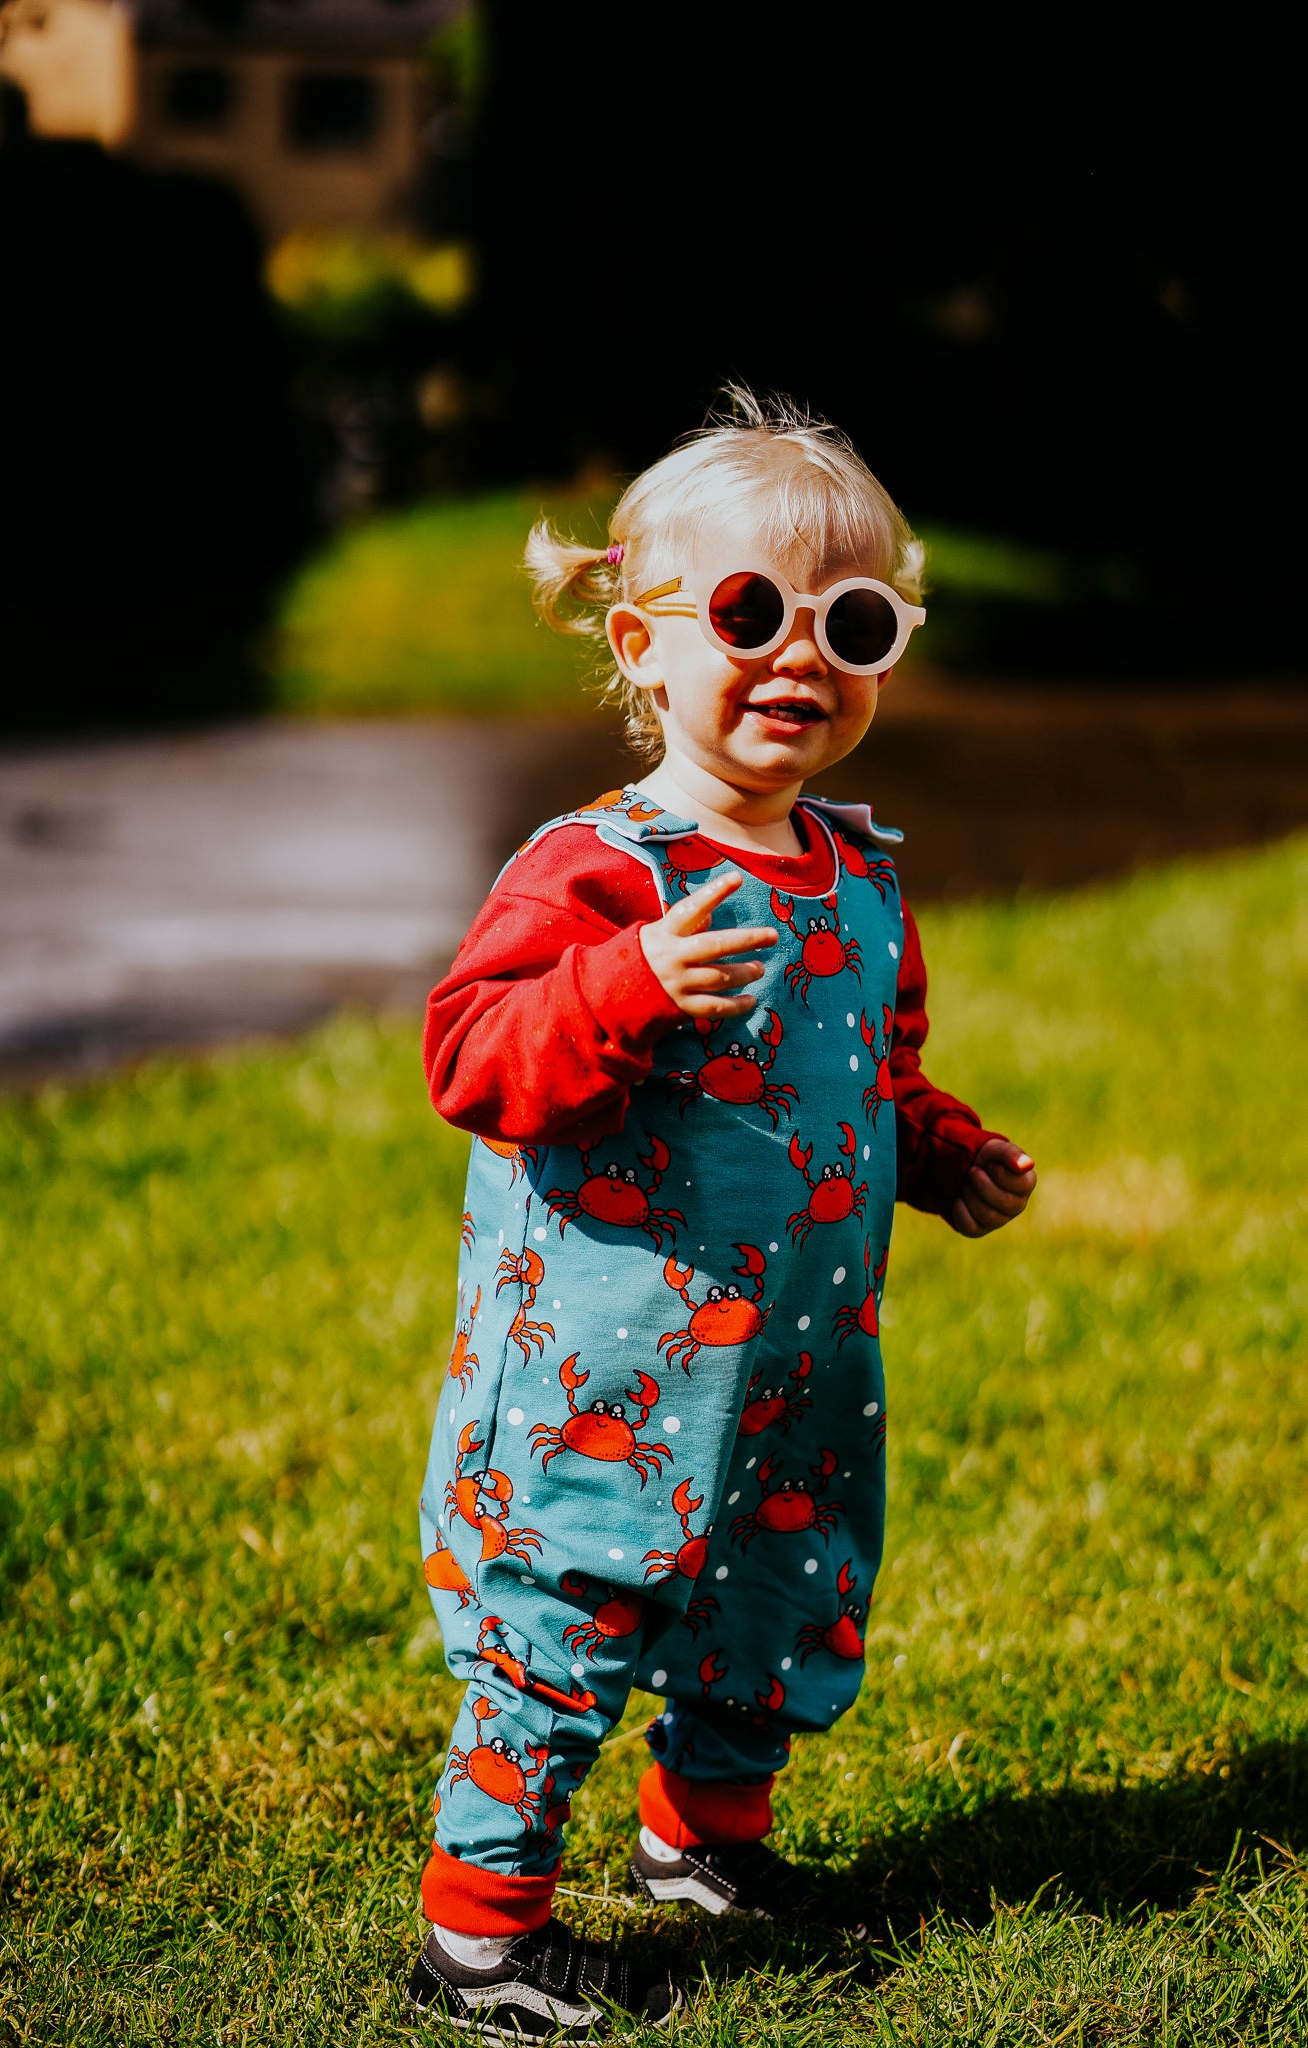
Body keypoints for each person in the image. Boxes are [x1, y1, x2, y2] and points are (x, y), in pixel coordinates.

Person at [408, 391, 1037, 2038]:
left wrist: (939, 1149)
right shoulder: (599, 867)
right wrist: (623, 983)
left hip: (793, 1365)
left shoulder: (855, 870)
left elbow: (863, 1077)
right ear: (642, 641)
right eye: (750, 614)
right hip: (605, 1383)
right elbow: (471, 1054)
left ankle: (703, 1845)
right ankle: (478, 1929)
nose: (797, 658)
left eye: (851, 622)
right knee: (567, 1613)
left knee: (768, 1597)